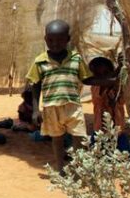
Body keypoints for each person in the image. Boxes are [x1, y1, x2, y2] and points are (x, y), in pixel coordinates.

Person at [26, 20, 93, 174]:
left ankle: (77, 168)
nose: (54, 43)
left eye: (59, 40)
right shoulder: (40, 61)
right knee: (57, 138)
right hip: (51, 106)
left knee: (79, 136)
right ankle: (60, 168)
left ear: (67, 40)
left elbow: (87, 79)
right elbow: (35, 85)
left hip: (73, 105)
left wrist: (112, 78)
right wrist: (36, 110)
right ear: (45, 39)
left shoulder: (76, 59)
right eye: (50, 40)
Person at [88, 56, 130, 154]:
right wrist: (119, 69)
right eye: (98, 75)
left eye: (106, 73)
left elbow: (124, 97)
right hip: (100, 132)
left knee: (126, 157)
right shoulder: (95, 87)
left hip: (118, 132)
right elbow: (104, 88)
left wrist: (124, 70)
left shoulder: (117, 89)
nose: (103, 77)